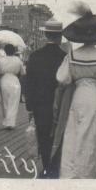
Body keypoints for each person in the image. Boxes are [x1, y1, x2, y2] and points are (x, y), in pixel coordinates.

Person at [50, 1, 96, 179]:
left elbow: (62, 79)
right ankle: (95, 170)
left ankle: (75, 171)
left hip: (79, 97)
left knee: (76, 133)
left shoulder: (71, 56)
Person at [24, 18, 66, 178]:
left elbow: (29, 83)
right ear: (60, 36)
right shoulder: (65, 57)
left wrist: (29, 106)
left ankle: (47, 167)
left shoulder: (35, 56)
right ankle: (55, 168)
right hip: (60, 104)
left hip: (40, 105)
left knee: (42, 136)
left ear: (46, 35)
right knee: (58, 135)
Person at [0, 43, 25, 130]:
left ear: (5, 51)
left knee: (5, 101)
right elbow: (23, 72)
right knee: (14, 102)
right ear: (14, 51)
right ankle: (11, 122)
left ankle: (6, 121)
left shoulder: (1, 60)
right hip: (15, 80)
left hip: (4, 80)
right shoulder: (18, 60)